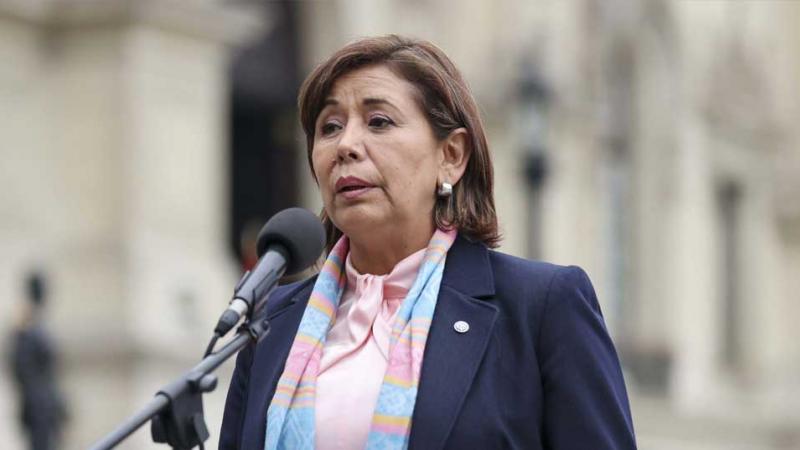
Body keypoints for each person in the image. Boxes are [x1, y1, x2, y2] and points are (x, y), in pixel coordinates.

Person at [220, 35, 636, 450]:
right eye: (330, 127)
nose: (345, 146)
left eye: (378, 122)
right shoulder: (273, 323)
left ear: (452, 155)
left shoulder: (540, 307)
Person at [7, 271, 68, 450]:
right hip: (37, 407)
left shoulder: (37, 325)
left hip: (48, 404)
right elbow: (22, 369)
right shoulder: (25, 329)